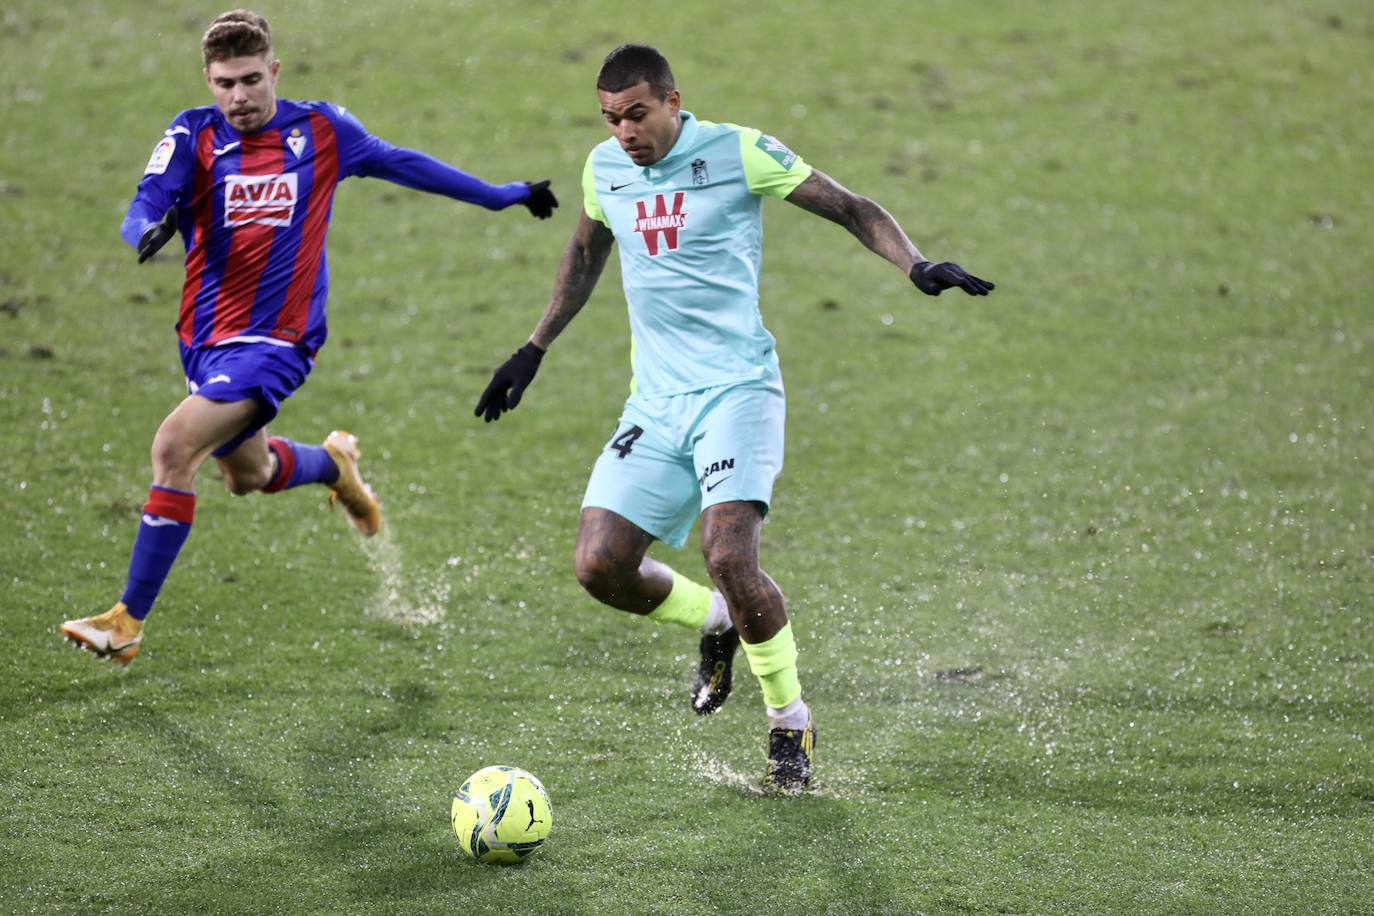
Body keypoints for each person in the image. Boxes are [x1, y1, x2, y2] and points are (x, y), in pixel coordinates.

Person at [474, 44, 993, 792]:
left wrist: (914, 264)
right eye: (611, 118)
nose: (625, 132)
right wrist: (533, 348)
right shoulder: (605, 169)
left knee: (729, 552)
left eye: (638, 114)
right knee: (599, 565)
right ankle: (715, 622)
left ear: (674, 102)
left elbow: (850, 206)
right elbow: (585, 253)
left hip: (738, 392)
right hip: (654, 402)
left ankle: (790, 722)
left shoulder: (739, 151)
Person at [60, 9, 559, 666]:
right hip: (205, 339)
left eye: (248, 80)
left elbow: (402, 163)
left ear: (274, 71)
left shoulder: (322, 130)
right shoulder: (192, 134)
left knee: (172, 448)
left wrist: (505, 195)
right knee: (250, 475)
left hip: (279, 342)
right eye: (222, 83)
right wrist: (144, 233)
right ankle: (335, 466)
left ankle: (127, 621)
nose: (237, 96)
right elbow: (145, 205)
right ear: (208, 82)